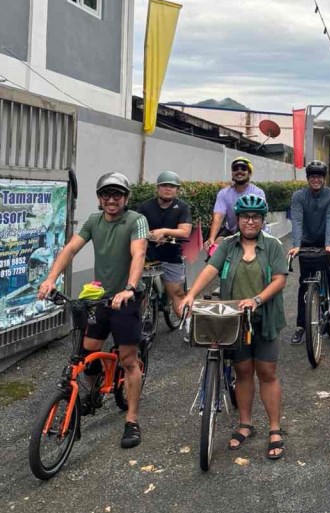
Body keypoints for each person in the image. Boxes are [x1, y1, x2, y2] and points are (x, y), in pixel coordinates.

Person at [37, 172, 149, 449]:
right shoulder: (93, 221)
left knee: (128, 360)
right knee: (87, 353)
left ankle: (132, 420)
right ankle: (91, 392)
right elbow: (70, 249)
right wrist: (52, 278)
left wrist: (130, 288)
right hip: (99, 298)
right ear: (100, 198)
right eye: (106, 194)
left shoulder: (136, 220)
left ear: (125, 198)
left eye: (118, 195)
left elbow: (139, 254)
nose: (112, 200)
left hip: (126, 297)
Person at [182, 194, 288, 459]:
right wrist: (191, 294)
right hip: (234, 320)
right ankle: (245, 424)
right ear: (237, 219)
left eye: (255, 217)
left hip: (264, 318)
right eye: (244, 217)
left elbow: (279, 280)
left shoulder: (273, 245)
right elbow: (209, 271)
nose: (249, 221)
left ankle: (275, 428)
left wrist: (257, 299)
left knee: (266, 371)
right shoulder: (228, 245)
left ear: (263, 220)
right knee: (242, 371)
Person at [287, 160, 330, 345]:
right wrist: (296, 244)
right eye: (312, 176)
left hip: (329, 242)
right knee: (305, 282)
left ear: (324, 178)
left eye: (319, 176)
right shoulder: (298, 196)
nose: (316, 179)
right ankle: (301, 326)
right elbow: (296, 220)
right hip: (306, 242)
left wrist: (328, 244)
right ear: (308, 178)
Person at [136, 171, 192, 320]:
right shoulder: (145, 207)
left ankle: (188, 325)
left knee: (177, 293)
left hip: (171, 254)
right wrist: (151, 236)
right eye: (164, 185)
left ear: (177, 190)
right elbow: (135, 228)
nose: (168, 189)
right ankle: (141, 322)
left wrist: (164, 232)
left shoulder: (182, 207)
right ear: (157, 188)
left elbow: (185, 232)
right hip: (147, 255)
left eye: (172, 186)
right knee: (139, 292)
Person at [205, 157, 266, 249]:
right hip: (232, 231)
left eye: (243, 169)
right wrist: (211, 239)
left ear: (249, 173)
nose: (239, 171)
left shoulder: (258, 193)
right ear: (232, 173)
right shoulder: (223, 193)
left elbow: (261, 217)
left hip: (254, 231)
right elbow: (218, 216)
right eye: (235, 169)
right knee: (215, 248)